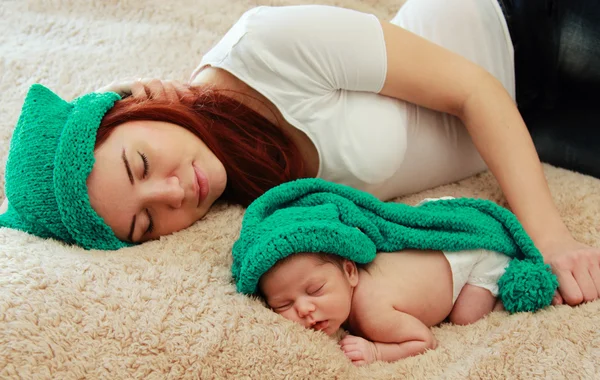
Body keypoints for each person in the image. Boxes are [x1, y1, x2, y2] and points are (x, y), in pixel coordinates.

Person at [1, 0, 599, 305]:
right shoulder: (247, 195)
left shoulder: (266, 47)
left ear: (136, 108)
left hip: (521, 30)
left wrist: (550, 237)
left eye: (141, 163)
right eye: (144, 221)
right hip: (536, 124)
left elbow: (475, 91)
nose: (174, 192)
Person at [231, 178, 557, 365]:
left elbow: (424, 340)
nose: (303, 309)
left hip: (472, 256)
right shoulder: (340, 290)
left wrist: (376, 350)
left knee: (466, 316)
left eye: (315, 290)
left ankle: (502, 275)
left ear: (350, 271)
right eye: (283, 306)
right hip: (438, 253)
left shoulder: (372, 313)